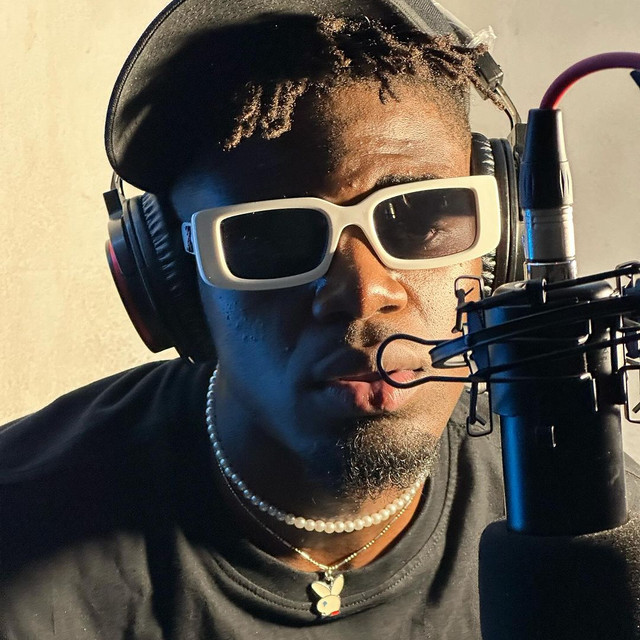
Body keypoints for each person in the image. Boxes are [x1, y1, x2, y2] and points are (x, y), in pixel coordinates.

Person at [1, 1, 639, 638]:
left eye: (421, 218)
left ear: (499, 248)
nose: (364, 293)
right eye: (273, 235)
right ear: (171, 280)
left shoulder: (605, 525)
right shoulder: (19, 527)